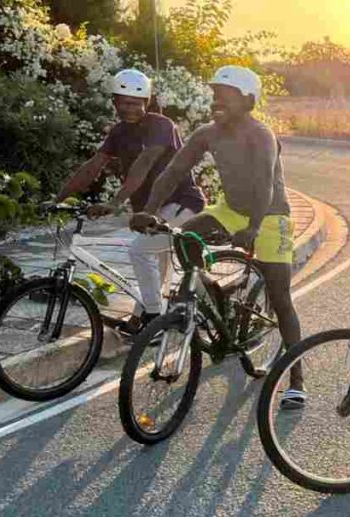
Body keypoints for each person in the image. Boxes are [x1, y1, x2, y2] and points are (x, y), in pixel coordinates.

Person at [129, 65, 305, 409]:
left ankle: (297, 379)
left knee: (279, 295)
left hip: (270, 215)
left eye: (225, 95)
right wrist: (149, 210)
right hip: (230, 208)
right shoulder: (207, 133)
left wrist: (253, 226)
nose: (216, 101)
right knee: (186, 237)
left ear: (248, 100)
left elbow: (264, 182)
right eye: (214, 95)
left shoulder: (261, 134)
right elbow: (173, 170)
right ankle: (216, 293)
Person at [57, 68, 205, 334]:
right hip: (151, 212)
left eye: (137, 103)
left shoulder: (161, 125)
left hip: (180, 205)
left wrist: (116, 202)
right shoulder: (118, 133)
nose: (131, 108)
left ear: (147, 103)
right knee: (154, 269)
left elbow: (145, 162)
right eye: (124, 102)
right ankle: (142, 322)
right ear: (115, 102)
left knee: (139, 251)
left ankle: (153, 323)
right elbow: (93, 166)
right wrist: (57, 199)